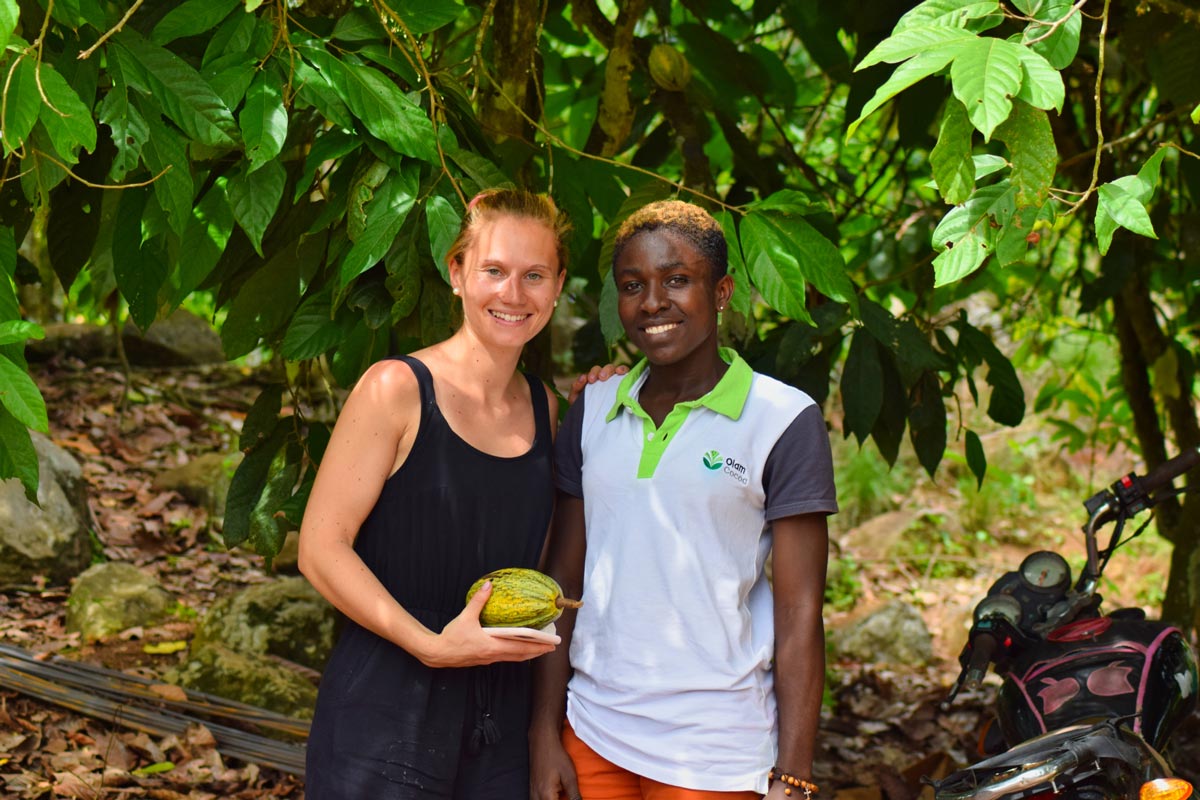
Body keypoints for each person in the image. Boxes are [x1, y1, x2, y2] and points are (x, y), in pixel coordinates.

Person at [530, 200, 838, 800]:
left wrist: (795, 773)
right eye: (632, 285)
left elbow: (802, 616)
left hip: (715, 747)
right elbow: (561, 583)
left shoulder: (782, 419)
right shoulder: (593, 411)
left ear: (721, 292)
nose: (652, 302)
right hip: (593, 728)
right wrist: (544, 731)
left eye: (677, 280)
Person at [299, 189, 572, 799]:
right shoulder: (395, 387)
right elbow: (321, 547)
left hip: (501, 713)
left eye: (534, 276)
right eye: (493, 271)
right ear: (457, 273)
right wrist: (431, 647)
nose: (513, 294)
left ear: (557, 288)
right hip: (387, 703)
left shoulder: (545, 408)